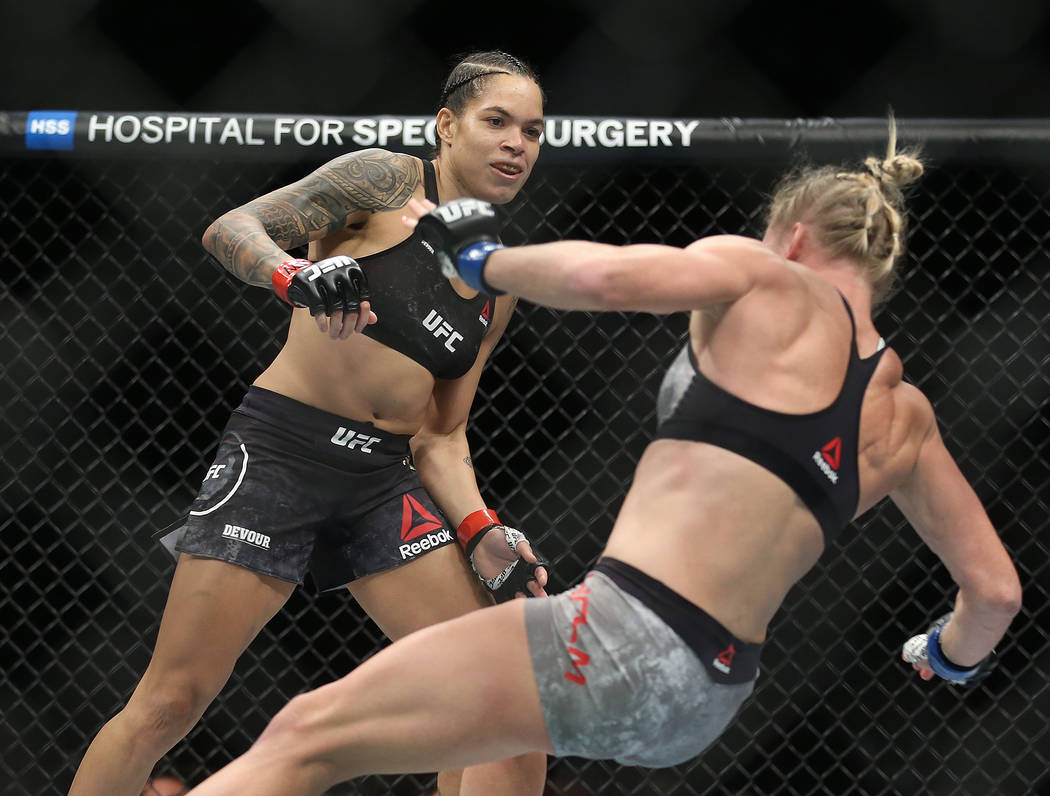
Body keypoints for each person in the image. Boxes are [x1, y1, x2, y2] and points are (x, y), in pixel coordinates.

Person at [184, 122, 1022, 795]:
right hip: (711, 698)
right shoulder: (906, 417)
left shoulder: (764, 277)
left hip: (617, 638)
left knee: (303, 736)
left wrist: (480, 260)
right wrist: (946, 655)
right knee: (502, 753)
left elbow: (603, 279)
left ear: (793, 236)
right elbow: (993, 593)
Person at [69, 50, 551, 796]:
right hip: (283, 452)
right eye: (498, 121)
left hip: (379, 479)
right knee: (169, 703)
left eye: (533, 129)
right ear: (448, 127)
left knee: (501, 706)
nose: (518, 142)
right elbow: (234, 227)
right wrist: (293, 274)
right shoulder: (383, 181)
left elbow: (440, 436)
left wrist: (482, 530)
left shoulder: (498, 275)